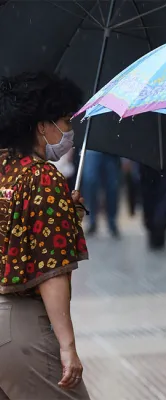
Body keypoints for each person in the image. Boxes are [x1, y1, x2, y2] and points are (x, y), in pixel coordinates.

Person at [0, 71, 89, 399]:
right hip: (20, 330)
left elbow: (16, 236)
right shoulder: (42, 178)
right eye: (65, 121)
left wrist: (66, 213)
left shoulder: (5, 170)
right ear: (42, 125)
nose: (70, 131)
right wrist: (67, 346)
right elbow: (50, 271)